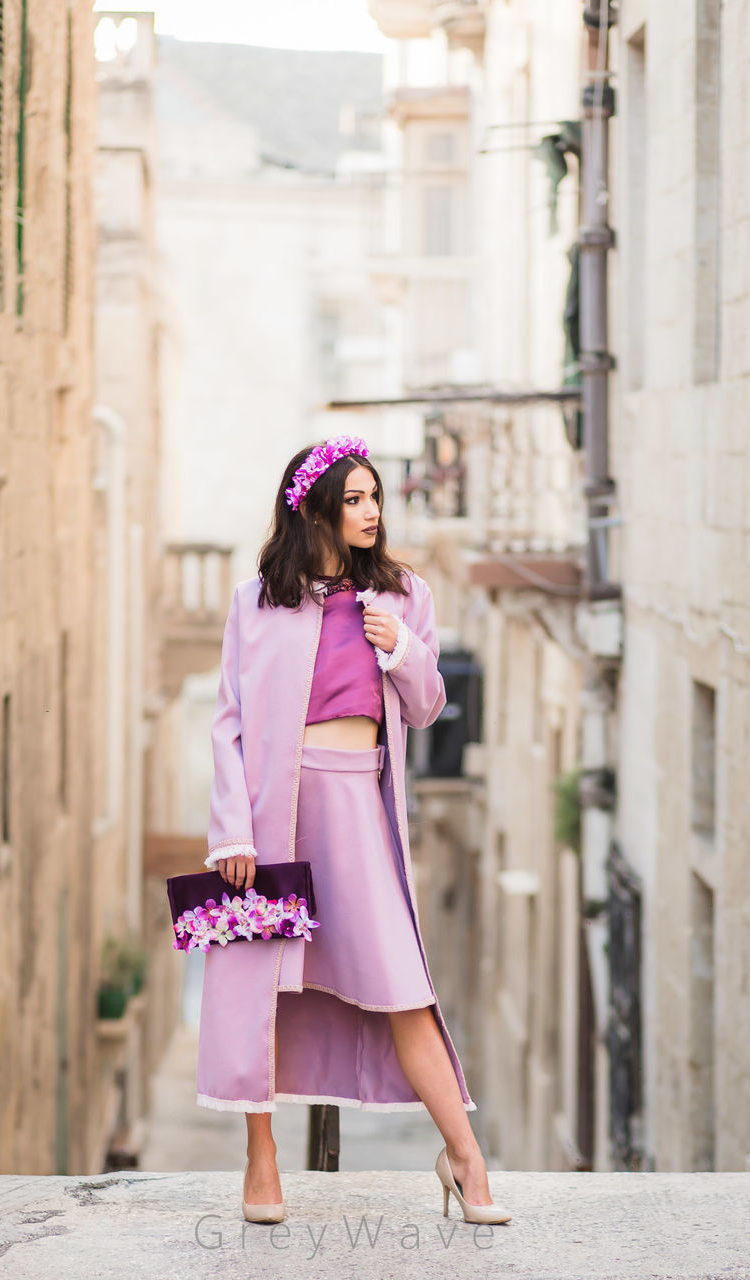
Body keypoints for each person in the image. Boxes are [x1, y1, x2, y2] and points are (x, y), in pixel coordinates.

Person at [194, 435, 510, 1226]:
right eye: (356, 498)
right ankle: (259, 1160)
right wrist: (231, 834)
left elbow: (428, 702)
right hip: (272, 821)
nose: (371, 512)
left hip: (358, 809)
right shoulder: (256, 600)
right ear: (316, 505)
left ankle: (464, 1158)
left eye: (376, 497)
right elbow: (228, 724)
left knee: (404, 987)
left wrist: (400, 649)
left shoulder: (404, 595)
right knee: (257, 988)